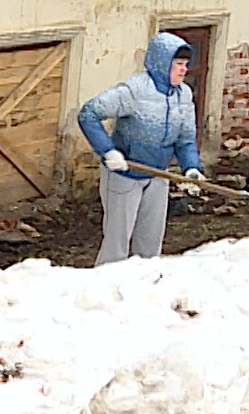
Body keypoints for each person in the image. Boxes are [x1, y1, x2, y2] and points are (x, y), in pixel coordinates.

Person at [77, 32, 204, 266]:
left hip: (158, 176)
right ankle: (103, 293)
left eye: (186, 65)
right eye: (178, 64)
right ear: (162, 62)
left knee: (150, 246)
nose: (183, 70)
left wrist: (191, 168)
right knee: (117, 245)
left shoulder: (183, 95)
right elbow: (88, 114)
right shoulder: (135, 91)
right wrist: (108, 151)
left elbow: (185, 139)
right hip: (124, 175)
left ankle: (144, 293)